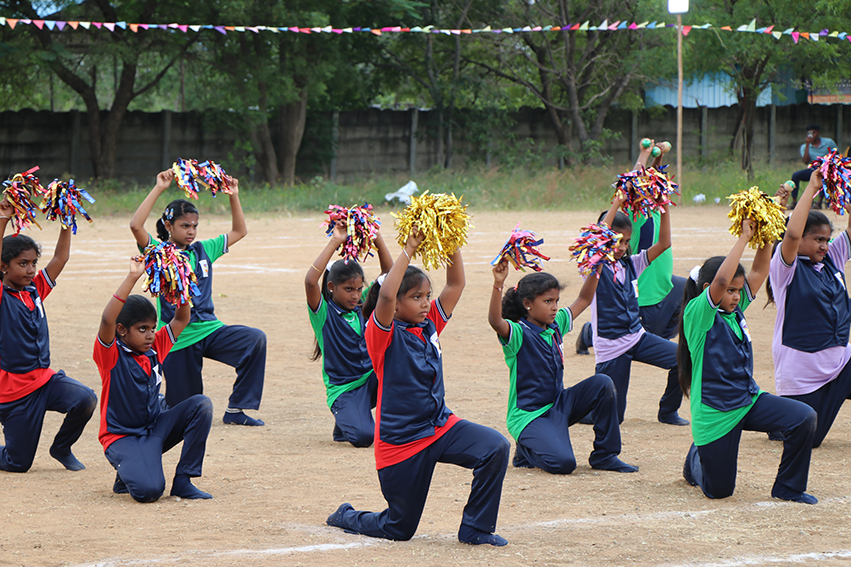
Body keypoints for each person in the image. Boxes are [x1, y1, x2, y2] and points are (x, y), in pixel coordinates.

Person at [326, 231, 511, 546]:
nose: (426, 303)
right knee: (398, 529)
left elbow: (456, 284)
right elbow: (385, 296)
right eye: (416, 297)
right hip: (402, 442)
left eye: (427, 295)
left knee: (495, 447)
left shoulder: (428, 324)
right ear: (396, 305)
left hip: (440, 426)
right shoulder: (381, 334)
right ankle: (346, 515)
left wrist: (449, 235)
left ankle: (475, 529)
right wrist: (409, 247)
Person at [680, 219, 817, 504]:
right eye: (730, 290)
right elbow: (721, 281)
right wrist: (743, 238)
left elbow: (758, 271)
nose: (736, 296)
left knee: (804, 417)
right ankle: (696, 458)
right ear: (708, 288)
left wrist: (766, 230)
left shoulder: (734, 309)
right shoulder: (697, 314)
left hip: (747, 400)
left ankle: (788, 487)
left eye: (738, 290)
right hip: (716, 412)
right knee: (720, 491)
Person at [130, 169, 266, 426]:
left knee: (254, 339)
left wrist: (233, 195)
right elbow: (136, 225)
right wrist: (159, 188)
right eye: (185, 226)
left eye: (194, 226)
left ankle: (236, 410)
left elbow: (239, 231)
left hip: (209, 329)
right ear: (168, 226)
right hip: (178, 338)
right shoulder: (158, 253)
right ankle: (160, 401)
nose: (191, 231)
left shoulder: (204, 250)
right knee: (186, 410)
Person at [488, 260, 637, 474]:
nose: (554, 307)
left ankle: (605, 456)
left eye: (556, 300)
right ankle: (525, 451)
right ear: (528, 304)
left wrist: (597, 267)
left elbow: (584, 299)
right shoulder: (518, 333)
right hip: (530, 416)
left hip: (559, 405)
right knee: (564, 464)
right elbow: (495, 321)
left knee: (602, 383)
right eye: (548, 301)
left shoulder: (556, 324)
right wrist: (498, 284)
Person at [94, 260, 213, 502]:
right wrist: (133, 277)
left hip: (154, 428)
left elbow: (181, 319)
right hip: (123, 437)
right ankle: (128, 470)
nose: (150, 335)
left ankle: (183, 480)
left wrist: (180, 283)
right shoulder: (111, 354)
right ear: (122, 330)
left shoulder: (155, 346)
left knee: (201, 405)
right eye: (142, 329)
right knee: (149, 492)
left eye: (152, 328)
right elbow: (107, 320)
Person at [0, 202, 97, 473]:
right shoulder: (2, 297)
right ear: (3, 266)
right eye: (22, 264)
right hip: (14, 392)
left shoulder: (34, 290)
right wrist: (4, 218)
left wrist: (66, 218)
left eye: (33, 263)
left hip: (43, 380)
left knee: (85, 399)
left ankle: (61, 447)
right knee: (18, 463)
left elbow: (60, 258)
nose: (31, 270)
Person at [581, 192, 688, 426]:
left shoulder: (631, 264)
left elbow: (664, 244)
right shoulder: (594, 266)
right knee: (614, 417)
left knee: (682, 358)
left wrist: (665, 206)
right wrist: (617, 202)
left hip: (637, 338)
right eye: (617, 240)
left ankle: (668, 411)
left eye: (627, 241)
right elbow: (597, 237)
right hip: (611, 347)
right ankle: (576, 408)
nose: (622, 247)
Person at [767, 169, 851, 448]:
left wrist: (845, 195)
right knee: (807, 440)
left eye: (827, 239)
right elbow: (791, 235)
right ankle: (772, 416)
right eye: (817, 239)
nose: (825, 246)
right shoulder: (785, 269)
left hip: (841, 363)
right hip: (804, 377)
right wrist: (812, 188)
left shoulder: (830, 260)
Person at [577, 139, 685, 353]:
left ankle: (660, 333)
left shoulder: (656, 208)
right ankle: (589, 332)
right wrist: (643, 155)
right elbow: (631, 184)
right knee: (642, 334)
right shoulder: (634, 216)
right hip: (645, 289)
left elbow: (653, 180)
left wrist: (658, 159)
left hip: (663, 282)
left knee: (687, 288)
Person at [305, 220, 393, 447]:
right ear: (332, 287)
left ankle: (352, 417)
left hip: (370, 380)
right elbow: (310, 282)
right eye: (348, 289)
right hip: (344, 389)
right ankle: (347, 418)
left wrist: (377, 240)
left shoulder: (361, 305)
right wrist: (335, 241)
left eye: (359, 289)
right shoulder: (324, 313)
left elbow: (389, 277)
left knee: (399, 366)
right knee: (364, 438)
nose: (355, 295)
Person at [789, 124, 836, 208]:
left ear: (818, 133)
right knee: (795, 175)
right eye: (810, 133)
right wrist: (808, 145)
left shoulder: (828, 142)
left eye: (814, 133)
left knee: (824, 176)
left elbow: (836, 155)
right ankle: (794, 201)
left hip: (826, 169)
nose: (812, 135)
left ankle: (819, 202)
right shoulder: (804, 147)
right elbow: (806, 161)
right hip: (812, 170)